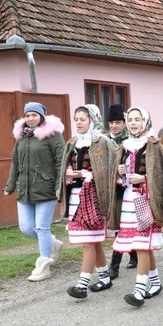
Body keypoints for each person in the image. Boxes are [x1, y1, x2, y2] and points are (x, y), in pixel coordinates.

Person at [108, 107, 163, 307]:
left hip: (147, 202)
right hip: (129, 202)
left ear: (146, 121)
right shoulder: (123, 147)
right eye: (130, 119)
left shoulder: (155, 146)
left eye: (138, 119)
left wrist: (143, 178)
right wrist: (120, 174)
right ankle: (155, 283)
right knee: (142, 246)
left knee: (142, 246)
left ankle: (138, 290)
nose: (133, 123)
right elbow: (118, 182)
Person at [4, 102, 65, 282]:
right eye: (27, 115)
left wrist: (59, 186)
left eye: (34, 115)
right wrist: (10, 186)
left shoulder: (53, 135)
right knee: (26, 227)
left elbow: (61, 161)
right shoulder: (21, 136)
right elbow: (15, 163)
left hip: (46, 188)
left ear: (42, 116)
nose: (30, 119)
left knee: (41, 227)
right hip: (25, 189)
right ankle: (52, 243)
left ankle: (44, 265)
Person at [60, 105, 116, 298]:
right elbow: (65, 164)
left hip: (93, 197)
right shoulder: (72, 142)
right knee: (94, 242)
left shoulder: (102, 142)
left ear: (93, 120)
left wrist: (87, 174)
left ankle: (82, 284)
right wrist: (68, 174)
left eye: (83, 119)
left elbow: (107, 169)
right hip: (75, 196)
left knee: (88, 243)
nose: (78, 123)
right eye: (76, 119)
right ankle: (105, 278)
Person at [104, 103, 137, 279]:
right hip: (111, 187)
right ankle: (134, 255)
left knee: (120, 226)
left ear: (124, 123)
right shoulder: (104, 139)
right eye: (111, 122)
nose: (114, 125)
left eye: (118, 122)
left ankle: (114, 266)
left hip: (126, 187)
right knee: (119, 224)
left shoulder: (127, 141)